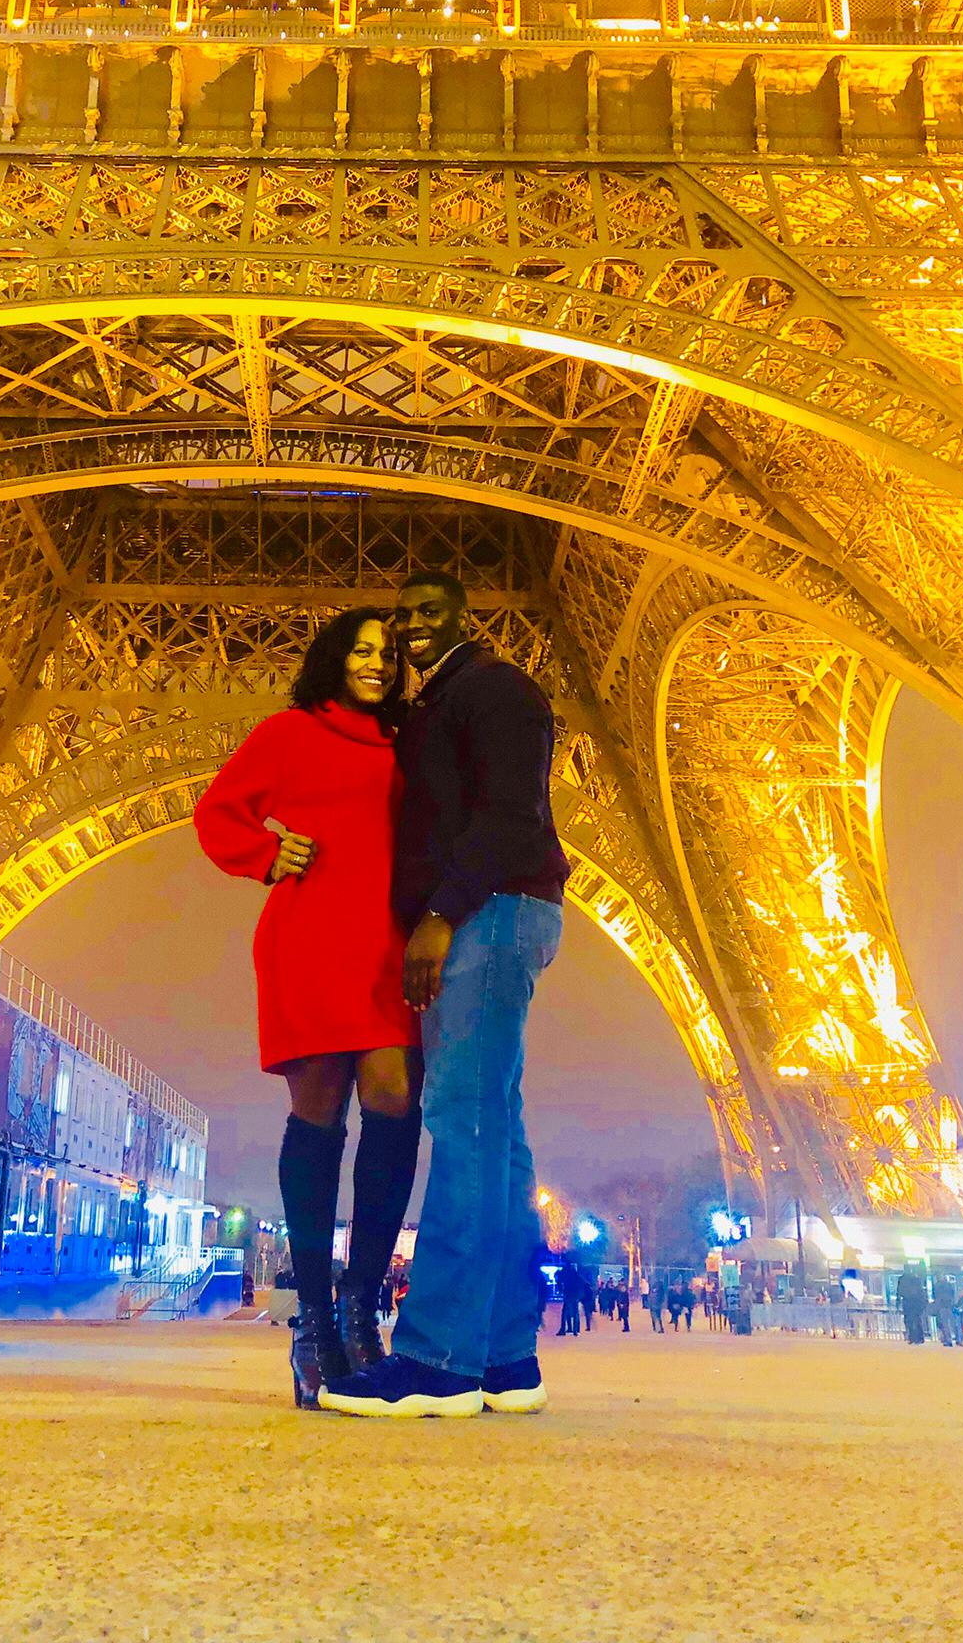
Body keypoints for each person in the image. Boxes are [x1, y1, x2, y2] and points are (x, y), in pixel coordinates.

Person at [322, 572, 568, 1419]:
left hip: (483, 915)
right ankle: (504, 1356)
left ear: (466, 614)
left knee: (463, 1124)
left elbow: (509, 814)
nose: (411, 626)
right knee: (496, 1136)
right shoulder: (441, 703)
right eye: (402, 616)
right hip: (490, 913)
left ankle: (438, 1359)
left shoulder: (495, 688)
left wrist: (437, 917)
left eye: (429, 611)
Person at [194, 610, 421, 1410]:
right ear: (334, 657)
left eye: (389, 653)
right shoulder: (288, 734)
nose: (377, 663)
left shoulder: (408, 743)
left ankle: (362, 1305)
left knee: (394, 1093)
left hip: (387, 944)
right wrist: (267, 853)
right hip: (312, 936)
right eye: (362, 649)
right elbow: (218, 813)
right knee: (318, 1111)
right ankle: (315, 1325)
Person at [897, 1267, 928, 1345]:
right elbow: (921, 1291)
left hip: (907, 1301)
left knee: (909, 1320)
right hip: (916, 1302)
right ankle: (919, 1337)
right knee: (916, 1319)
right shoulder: (916, 1279)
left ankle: (912, 1337)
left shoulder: (902, 1279)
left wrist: (898, 1301)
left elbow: (899, 1291)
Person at [930, 1270, 959, 1346]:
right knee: (953, 1323)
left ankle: (948, 1340)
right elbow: (953, 1294)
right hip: (950, 1306)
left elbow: (935, 1296)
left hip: (942, 1306)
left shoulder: (937, 1286)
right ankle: (958, 1339)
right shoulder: (949, 1285)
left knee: (945, 1324)